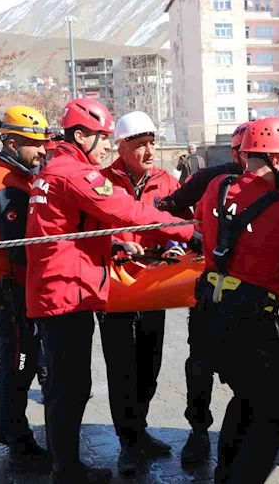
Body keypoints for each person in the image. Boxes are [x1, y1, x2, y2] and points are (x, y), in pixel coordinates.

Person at [25, 98, 199, 484]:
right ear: (80, 135)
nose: (105, 145)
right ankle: (68, 470)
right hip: (67, 295)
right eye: (102, 137)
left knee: (74, 386)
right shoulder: (75, 173)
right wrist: (190, 232)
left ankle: (69, 465)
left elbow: (71, 230)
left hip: (69, 291)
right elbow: (129, 212)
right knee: (70, 388)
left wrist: (114, 245)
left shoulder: (56, 171)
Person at [194, 116, 279, 483]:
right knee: (274, 410)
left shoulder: (217, 187)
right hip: (252, 321)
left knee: (245, 397)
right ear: (278, 160)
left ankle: (225, 474)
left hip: (210, 313)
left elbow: (201, 223)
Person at [162, 122, 249, 467]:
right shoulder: (210, 178)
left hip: (253, 289)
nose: (257, 160)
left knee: (252, 364)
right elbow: (168, 207)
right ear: (236, 153)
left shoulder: (276, 179)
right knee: (200, 364)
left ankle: (246, 429)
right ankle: (198, 430)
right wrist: (191, 237)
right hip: (210, 284)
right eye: (249, 153)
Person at [98, 111, 180, 475]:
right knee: (122, 370)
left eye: (151, 143)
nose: (149, 152)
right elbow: (88, 230)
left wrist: (176, 248)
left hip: (154, 287)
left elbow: (183, 224)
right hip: (115, 290)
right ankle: (128, 443)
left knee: (149, 365)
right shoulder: (100, 182)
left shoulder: (168, 182)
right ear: (121, 147)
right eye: (140, 145)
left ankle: (140, 430)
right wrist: (115, 244)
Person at [0, 106, 52, 473]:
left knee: (11, 359)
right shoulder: (5, 184)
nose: (42, 150)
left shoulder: (14, 177)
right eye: (34, 144)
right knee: (21, 363)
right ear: (10, 143)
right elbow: (21, 248)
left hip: (7, 286)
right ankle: (19, 442)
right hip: (12, 290)